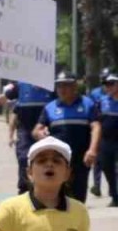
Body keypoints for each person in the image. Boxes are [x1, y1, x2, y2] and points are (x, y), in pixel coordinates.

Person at [0, 79, 57, 193]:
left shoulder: (52, 87)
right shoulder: (21, 86)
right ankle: (24, 190)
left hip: (45, 132)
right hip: (25, 132)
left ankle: (49, 189)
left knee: (47, 161)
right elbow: (3, 97)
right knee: (24, 159)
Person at [33, 71, 101, 202]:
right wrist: (40, 135)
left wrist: (92, 150)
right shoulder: (50, 107)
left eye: (66, 85)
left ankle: (76, 221)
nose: (62, 89)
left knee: (78, 197)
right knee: (57, 197)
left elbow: (96, 127)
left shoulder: (88, 104)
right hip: (57, 160)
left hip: (81, 159)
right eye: (59, 86)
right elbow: (36, 130)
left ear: (75, 86)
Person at [88, 68, 111, 196]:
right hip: (98, 128)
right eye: (103, 78)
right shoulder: (95, 93)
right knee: (97, 160)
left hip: (112, 129)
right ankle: (97, 186)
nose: (105, 80)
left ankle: (113, 187)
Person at [98, 74, 118, 207]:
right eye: (106, 84)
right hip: (106, 141)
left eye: (112, 83)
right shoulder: (102, 101)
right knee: (106, 167)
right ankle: (114, 195)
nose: (108, 86)